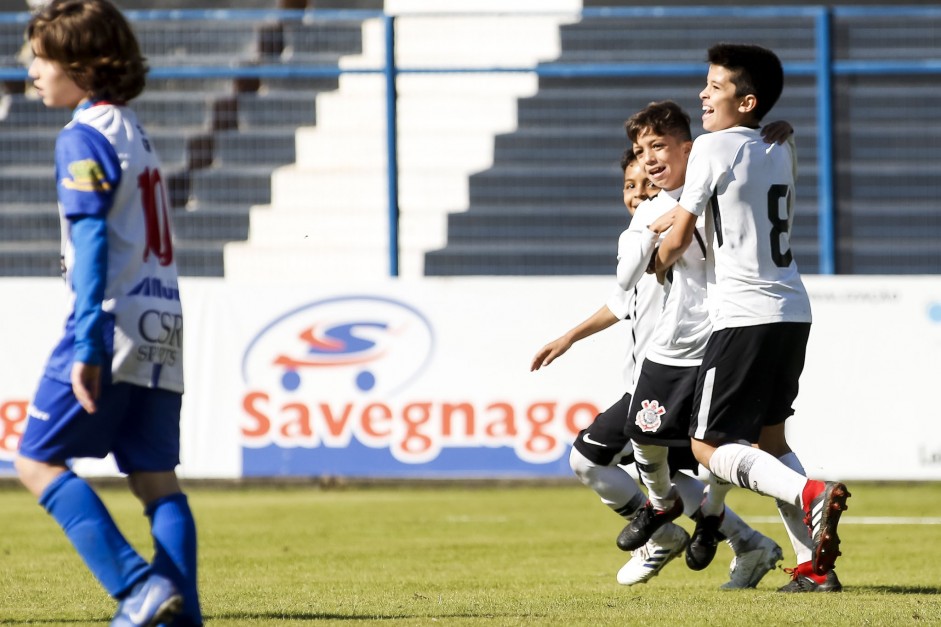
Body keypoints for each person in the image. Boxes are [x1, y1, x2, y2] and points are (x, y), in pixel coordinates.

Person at [14, 1, 201, 625]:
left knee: (35, 461)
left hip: (110, 319)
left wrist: (90, 342)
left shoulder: (81, 136)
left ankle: (136, 589)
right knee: (156, 480)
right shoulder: (132, 130)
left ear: (83, 66)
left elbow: (92, 241)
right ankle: (181, 612)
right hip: (162, 321)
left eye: (43, 57)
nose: (31, 70)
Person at [648, 43, 850, 593]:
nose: (703, 94)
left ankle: (811, 496)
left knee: (706, 446)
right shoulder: (780, 145)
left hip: (743, 315)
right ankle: (816, 570)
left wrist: (655, 262)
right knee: (771, 443)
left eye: (714, 87)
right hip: (791, 310)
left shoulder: (712, 147)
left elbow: (683, 232)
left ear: (747, 99)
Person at [531, 146, 779, 589]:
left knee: (590, 458)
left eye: (648, 184)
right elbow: (619, 302)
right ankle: (745, 542)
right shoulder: (639, 239)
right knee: (664, 474)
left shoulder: (680, 238)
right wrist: (568, 337)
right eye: (630, 185)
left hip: (678, 380)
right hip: (652, 383)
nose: (638, 194)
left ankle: (666, 535)